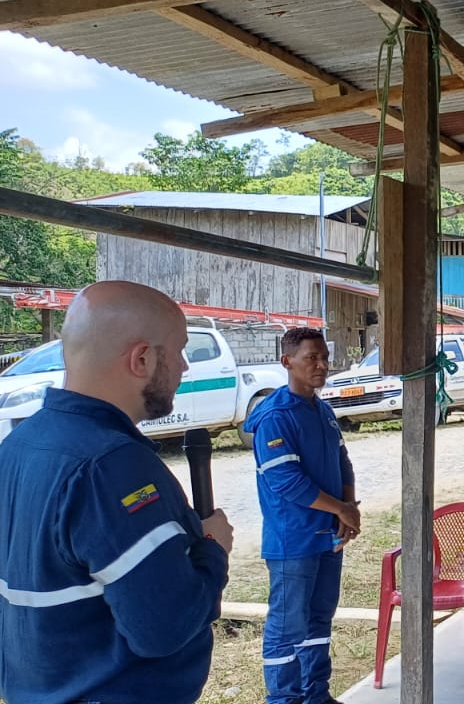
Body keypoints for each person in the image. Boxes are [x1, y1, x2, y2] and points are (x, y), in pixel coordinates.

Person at [0, 281, 232, 704]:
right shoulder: (110, 466)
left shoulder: (19, 445)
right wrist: (213, 548)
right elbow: (165, 626)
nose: (184, 367)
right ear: (142, 359)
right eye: (179, 350)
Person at [246, 327, 360, 704]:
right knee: (286, 628)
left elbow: (342, 461)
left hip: (328, 536)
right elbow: (287, 481)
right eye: (311, 358)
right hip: (292, 541)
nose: (322, 365)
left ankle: (317, 694)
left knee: (319, 620)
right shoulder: (275, 416)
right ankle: (285, 698)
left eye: (324, 357)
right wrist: (341, 509)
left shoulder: (322, 410)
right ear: (287, 362)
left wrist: (348, 509)